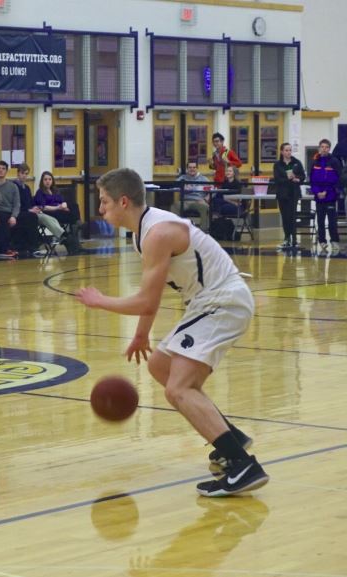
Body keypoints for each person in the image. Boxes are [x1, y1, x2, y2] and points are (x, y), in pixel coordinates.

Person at [75, 167, 268, 497]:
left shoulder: (158, 233)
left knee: (177, 389)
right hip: (208, 302)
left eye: (105, 202)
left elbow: (146, 301)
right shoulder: (144, 231)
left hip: (222, 301)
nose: (101, 209)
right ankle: (229, 438)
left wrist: (100, 301)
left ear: (123, 201)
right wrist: (141, 335)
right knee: (160, 366)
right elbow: (155, 294)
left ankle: (242, 465)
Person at [309, 139, 342, 253]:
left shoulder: (334, 162)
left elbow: (337, 179)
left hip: (331, 197)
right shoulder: (314, 162)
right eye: (322, 147)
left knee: (332, 221)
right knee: (320, 221)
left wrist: (327, 192)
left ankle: (334, 241)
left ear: (329, 148)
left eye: (326, 147)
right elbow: (312, 180)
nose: (324, 149)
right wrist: (317, 192)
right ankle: (322, 241)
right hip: (319, 197)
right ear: (319, 148)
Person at [272, 143, 305, 249]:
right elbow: (277, 179)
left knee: (292, 216)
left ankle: (294, 239)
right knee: (285, 216)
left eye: (290, 150)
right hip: (282, 194)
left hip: (294, 193)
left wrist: (297, 179)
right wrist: (288, 178)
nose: (288, 152)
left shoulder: (296, 163)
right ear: (282, 152)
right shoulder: (277, 164)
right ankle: (287, 237)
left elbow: (302, 176)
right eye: (286, 150)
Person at [174, 162, 210, 232]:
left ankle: (203, 231)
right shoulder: (182, 178)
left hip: (199, 201)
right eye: (190, 167)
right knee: (175, 206)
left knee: (205, 207)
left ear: (197, 169)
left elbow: (212, 191)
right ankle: (177, 230)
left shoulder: (204, 179)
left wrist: (205, 200)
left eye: (194, 167)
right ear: (187, 169)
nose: (192, 169)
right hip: (185, 201)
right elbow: (174, 185)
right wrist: (182, 186)